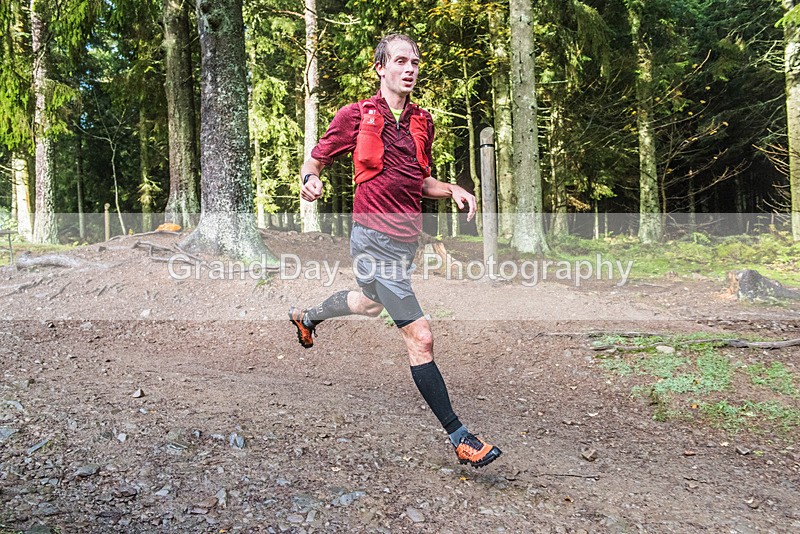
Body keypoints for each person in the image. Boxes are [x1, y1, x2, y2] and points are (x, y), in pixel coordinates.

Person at [289, 34, 501, 468]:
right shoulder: (356, 115)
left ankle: (307, 317)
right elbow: (316, 160)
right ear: (380, 67)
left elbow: (420, 181)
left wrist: (453, 189)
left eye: (415, 62)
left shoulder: (423, 121)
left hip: (405, 243)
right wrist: (309, 179)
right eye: (400, 61)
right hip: (371, 239)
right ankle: (460, 436)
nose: (409, 69)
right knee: (421, 336)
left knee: (369, 304)